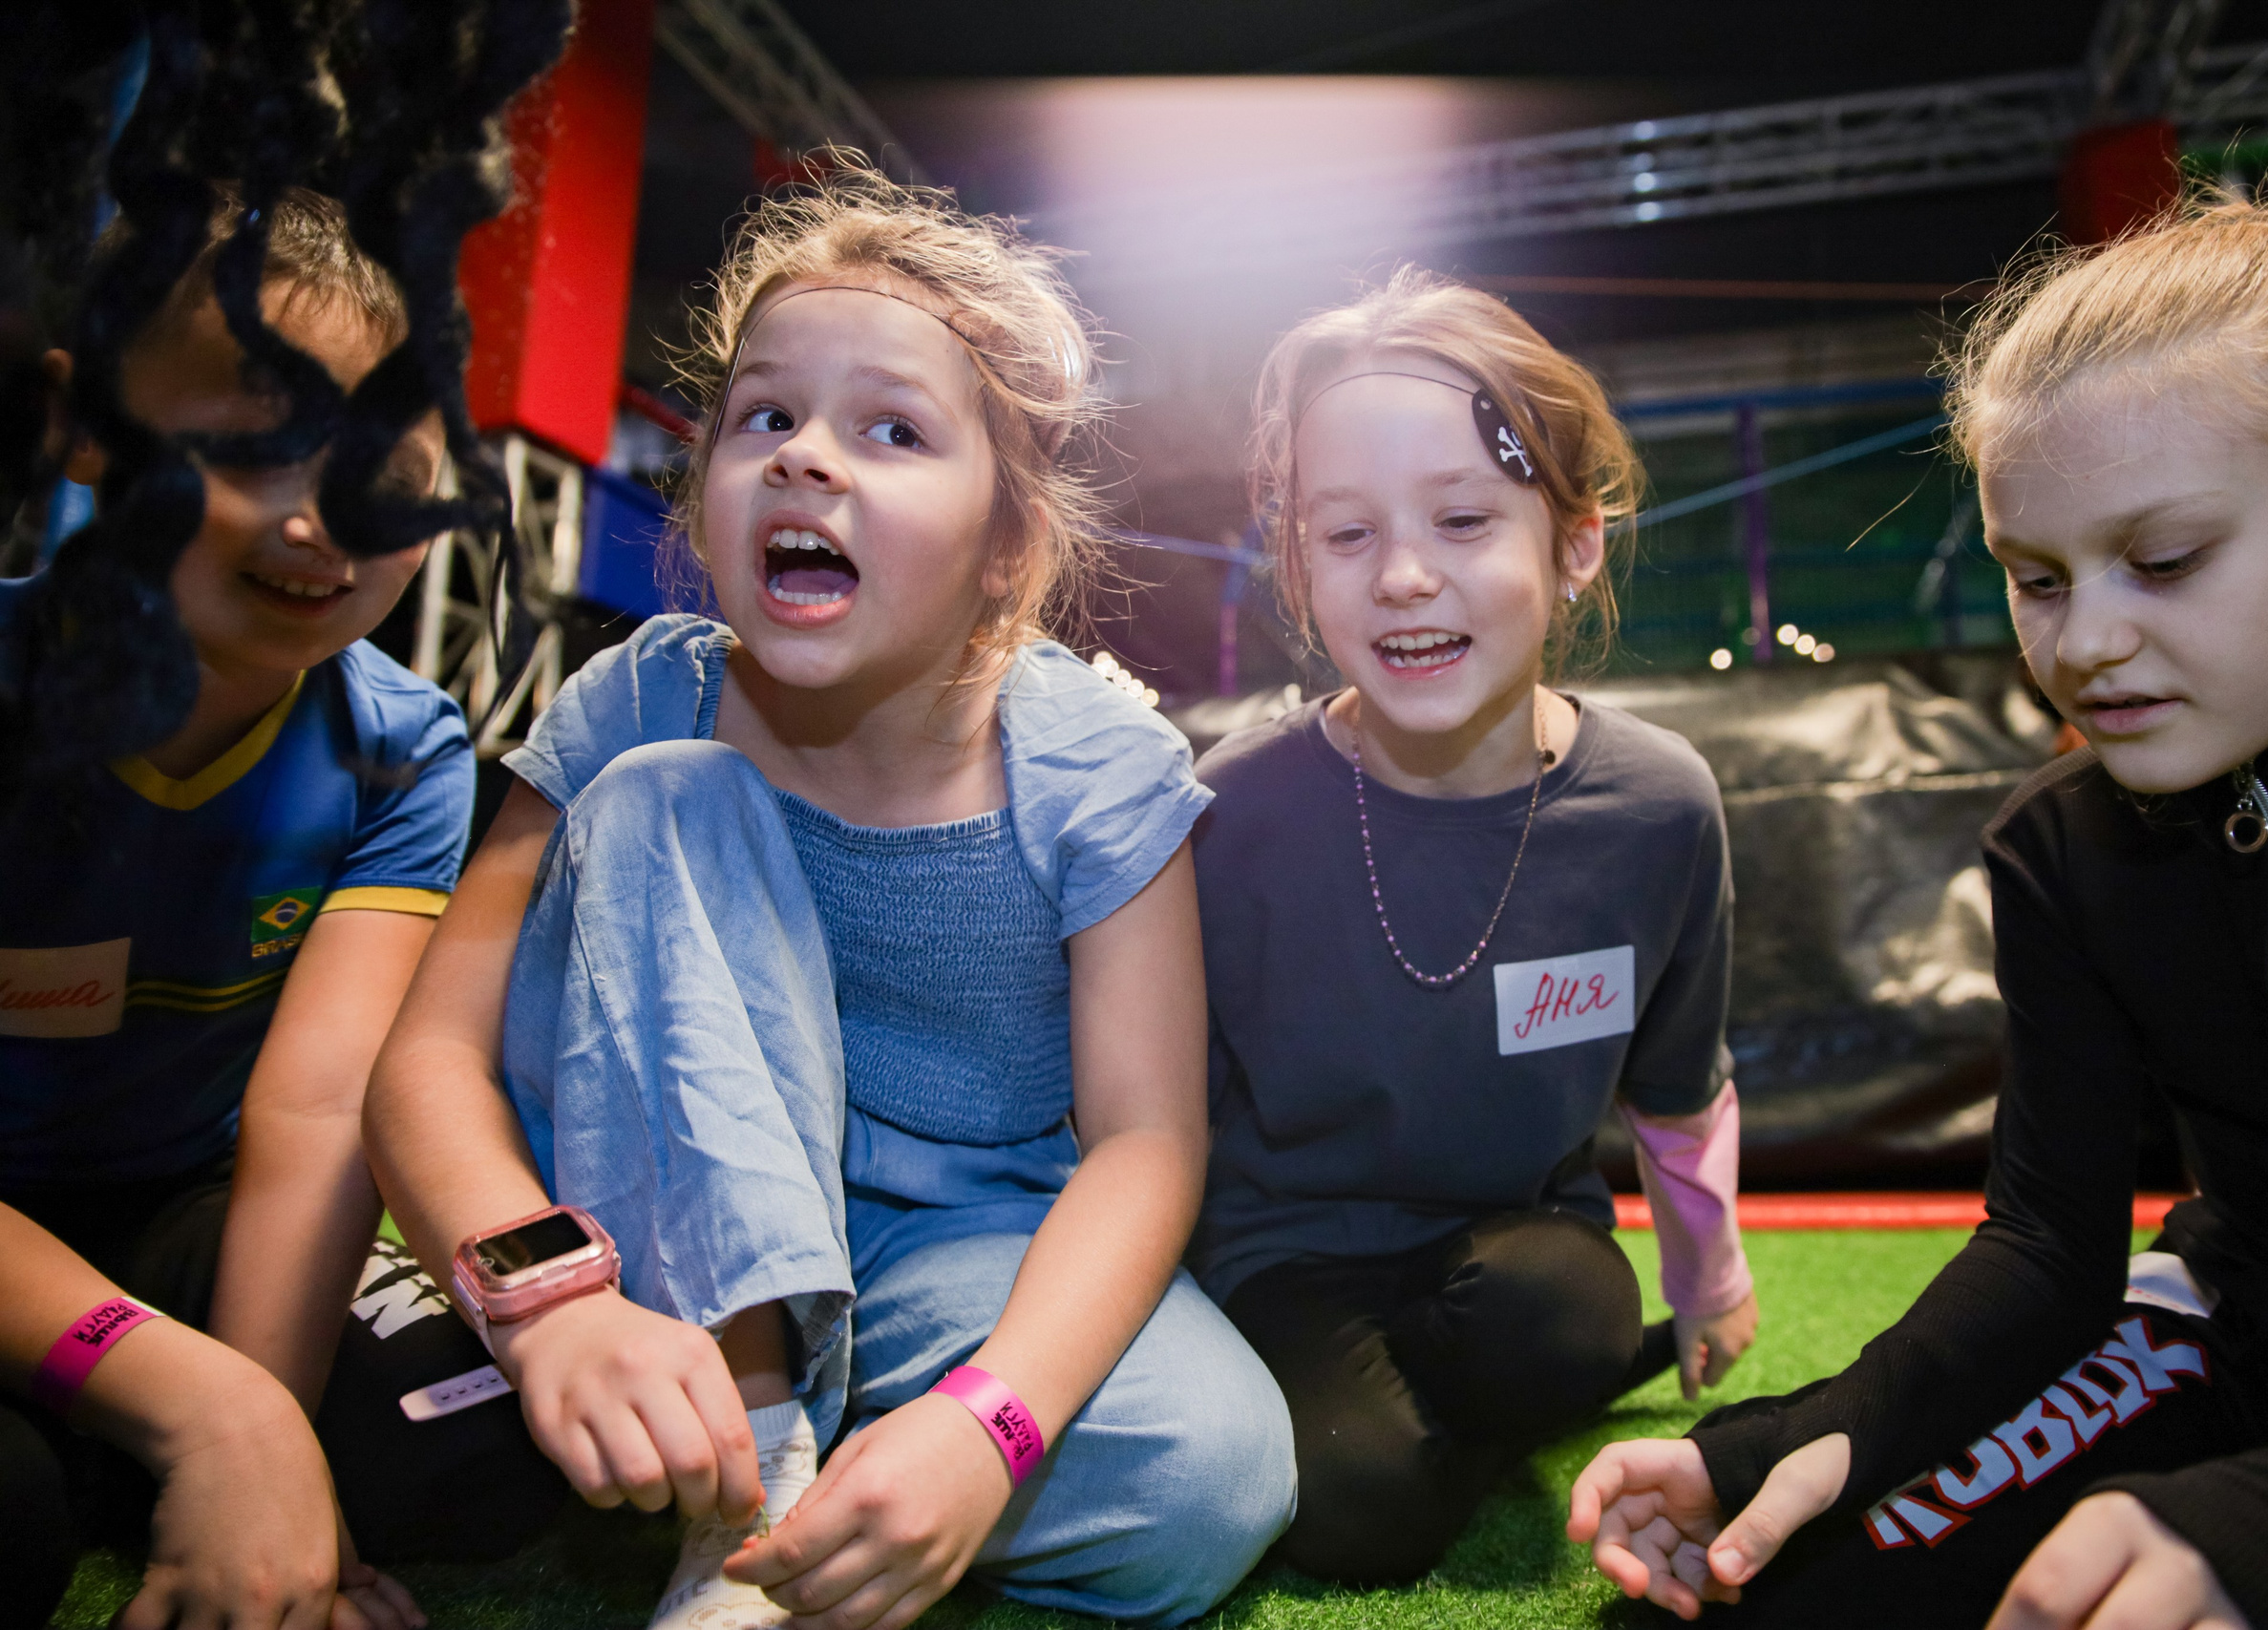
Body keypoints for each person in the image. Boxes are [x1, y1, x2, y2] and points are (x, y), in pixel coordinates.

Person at [363, 164, 1296, 1630]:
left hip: (944, 1249)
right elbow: (426, 1058)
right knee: (677, 791)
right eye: (764, 417)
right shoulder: (635, 706)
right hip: (638, 1218)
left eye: (893, 429)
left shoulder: (1096, 764)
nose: (805, 458)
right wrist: (551, 1304)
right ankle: (754, 1437)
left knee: (1211, 1485)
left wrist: (987, 1429)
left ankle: (805, 1446)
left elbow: (1144, 1147)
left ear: (1006, 543)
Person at [1568, 199, 2268, 1630]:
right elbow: (2049, 1247)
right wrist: (1799, 1438)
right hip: (2246, 1335)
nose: (2085, 643)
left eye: (2164, 562)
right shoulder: (2063, 846)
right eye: (2037, 578)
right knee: (1777, 1595)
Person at [0, 187, 558, 1630]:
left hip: (171, 1204)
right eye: (257, 445)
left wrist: (272, 1423)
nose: (328, 520)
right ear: (82, 425)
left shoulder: (404, 746)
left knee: (480, 1441)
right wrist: (202, 1414)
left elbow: (314, 1116)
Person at [1192, 269, 1754, 1585]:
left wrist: (1712, 1277)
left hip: (1510, 1247)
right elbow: (1149, 1116)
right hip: (1287, 1259)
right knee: (1359, 1515)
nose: (1402, 577)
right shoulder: (1225, 818)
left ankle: (1522, 1393)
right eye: (1345, 536)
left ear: (1575, 544)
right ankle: (1432, 1440)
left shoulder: (1656, 804)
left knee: (1564, 1323)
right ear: (1295, 565)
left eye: (1462, 519)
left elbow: (1680, 1088)